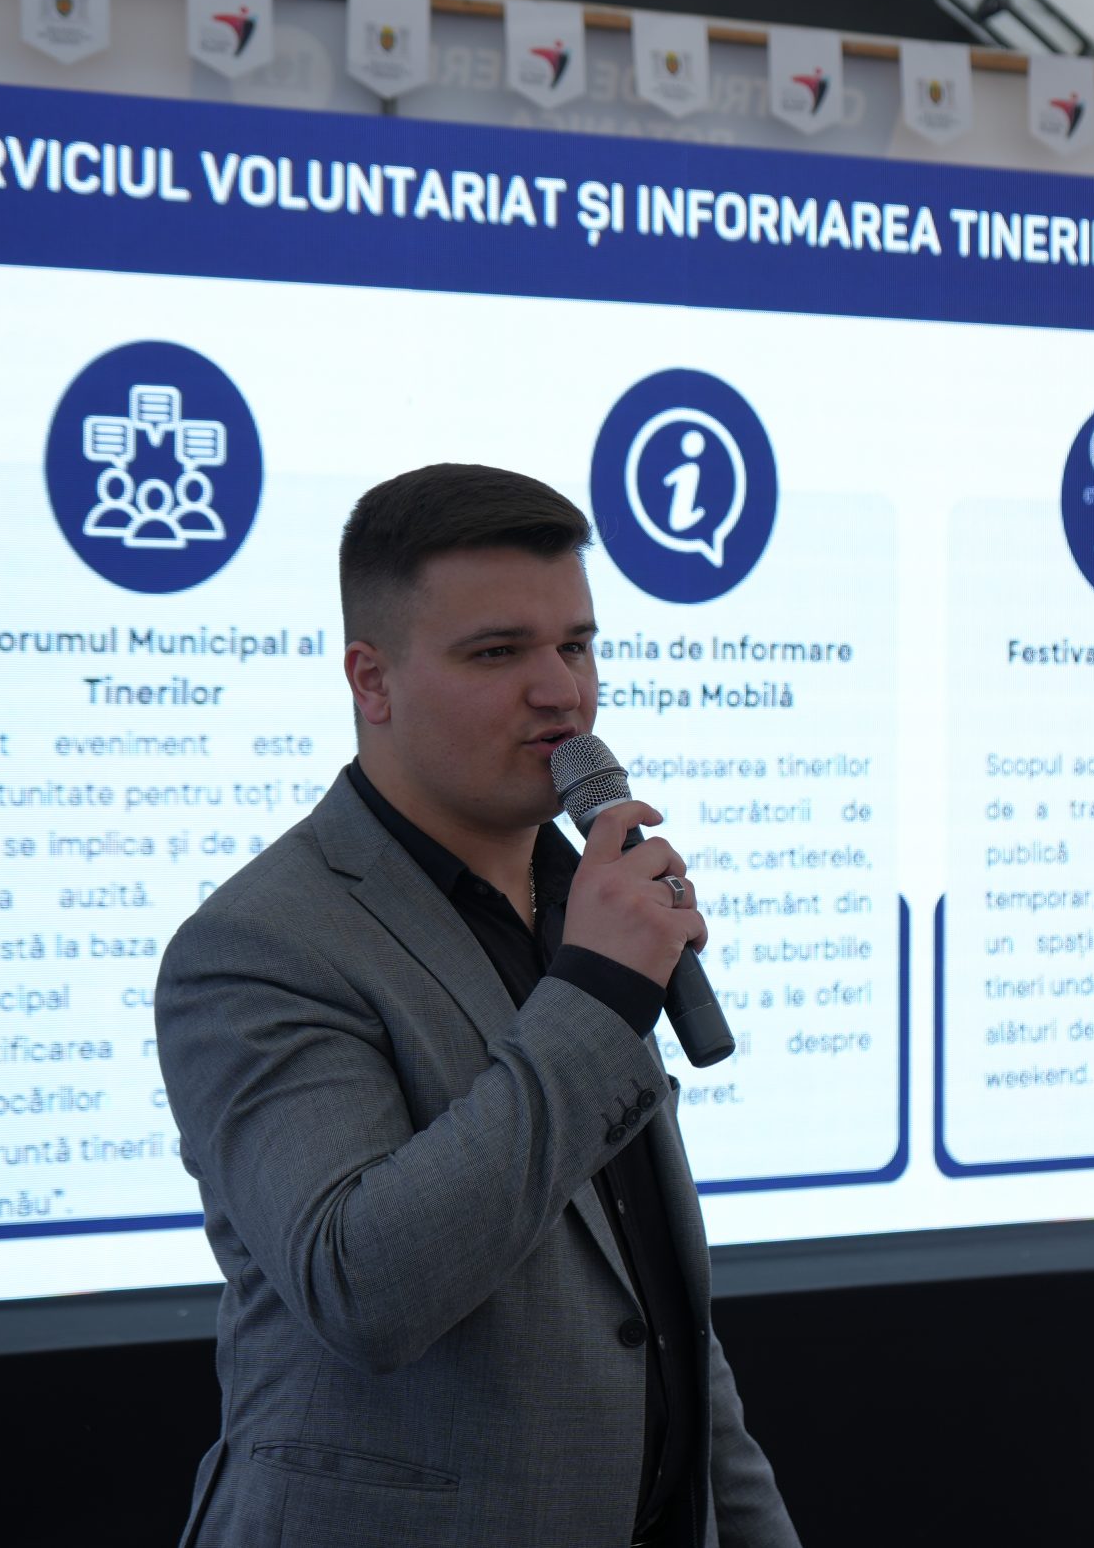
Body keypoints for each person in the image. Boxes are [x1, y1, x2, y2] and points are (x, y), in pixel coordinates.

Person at [156, 464, 799, 1548]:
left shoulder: (583, 903)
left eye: (576, 646)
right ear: (372, 680)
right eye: (499, 653)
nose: (561, 692)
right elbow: (364, 1287)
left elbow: (654, 1313)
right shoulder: (259, 945)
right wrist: (597, 997)